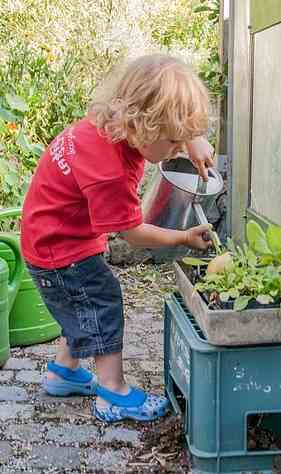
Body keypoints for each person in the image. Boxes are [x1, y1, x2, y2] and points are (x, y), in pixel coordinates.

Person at [20, 53, 214, 423]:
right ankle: (113, 391)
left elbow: (163, 116)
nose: (177, 151)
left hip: (50, 235)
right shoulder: (109, 172)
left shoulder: (108, 123)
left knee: (80, 307)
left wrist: (193, 139)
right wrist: (182, 237)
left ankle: (63, 372)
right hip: (61, 250)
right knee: (101, 303)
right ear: (143, 126)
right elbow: (133, 232)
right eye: (174, 142)